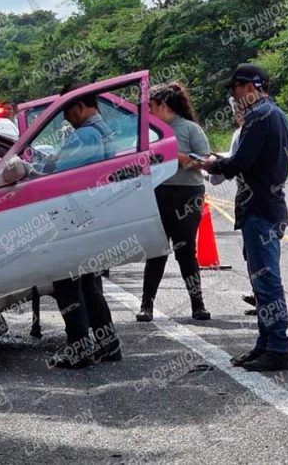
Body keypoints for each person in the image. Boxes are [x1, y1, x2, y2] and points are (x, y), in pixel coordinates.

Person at [199, 63, 288, 372]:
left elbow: (239, 162)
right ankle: (265, 344)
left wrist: (210, 164)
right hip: (269, 205)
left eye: (235, 90)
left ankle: (277, 347)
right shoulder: (275, 114)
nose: (234, 97)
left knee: (266, 283)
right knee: (261, 281)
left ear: (250, 87)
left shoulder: (259, 116)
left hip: (261, 208)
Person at [46, 82, 120, 369]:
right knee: (89, 282)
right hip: (94, 215)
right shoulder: (104, 131)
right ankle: (107, 344)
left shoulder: (86, 135)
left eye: (66, 110)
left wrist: (47, 165)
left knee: (66, 281)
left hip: (74, 217)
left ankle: (78, 346)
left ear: (79, 105)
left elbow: (61, 175)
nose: (65, 117)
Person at [136, 83, 211, 322]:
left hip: (187, 193)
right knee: (156, 250)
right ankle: (146, 304)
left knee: (186, 249)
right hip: (157, 193)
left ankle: (197, 304)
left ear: (163, 105)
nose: (147, 110)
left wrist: (177, 158)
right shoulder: (148, 131)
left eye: (151, 105)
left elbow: (205, 162)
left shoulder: (189, 129)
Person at [208, 95, 257, 315]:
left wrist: (208, 169)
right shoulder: (270, 128)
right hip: (272, 201)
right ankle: (262, 295)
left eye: (236, 111)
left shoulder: (241, 134)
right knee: (263, 252)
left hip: (250, 202)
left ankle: (263, 298)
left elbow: (233, 164)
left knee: (254, 253)